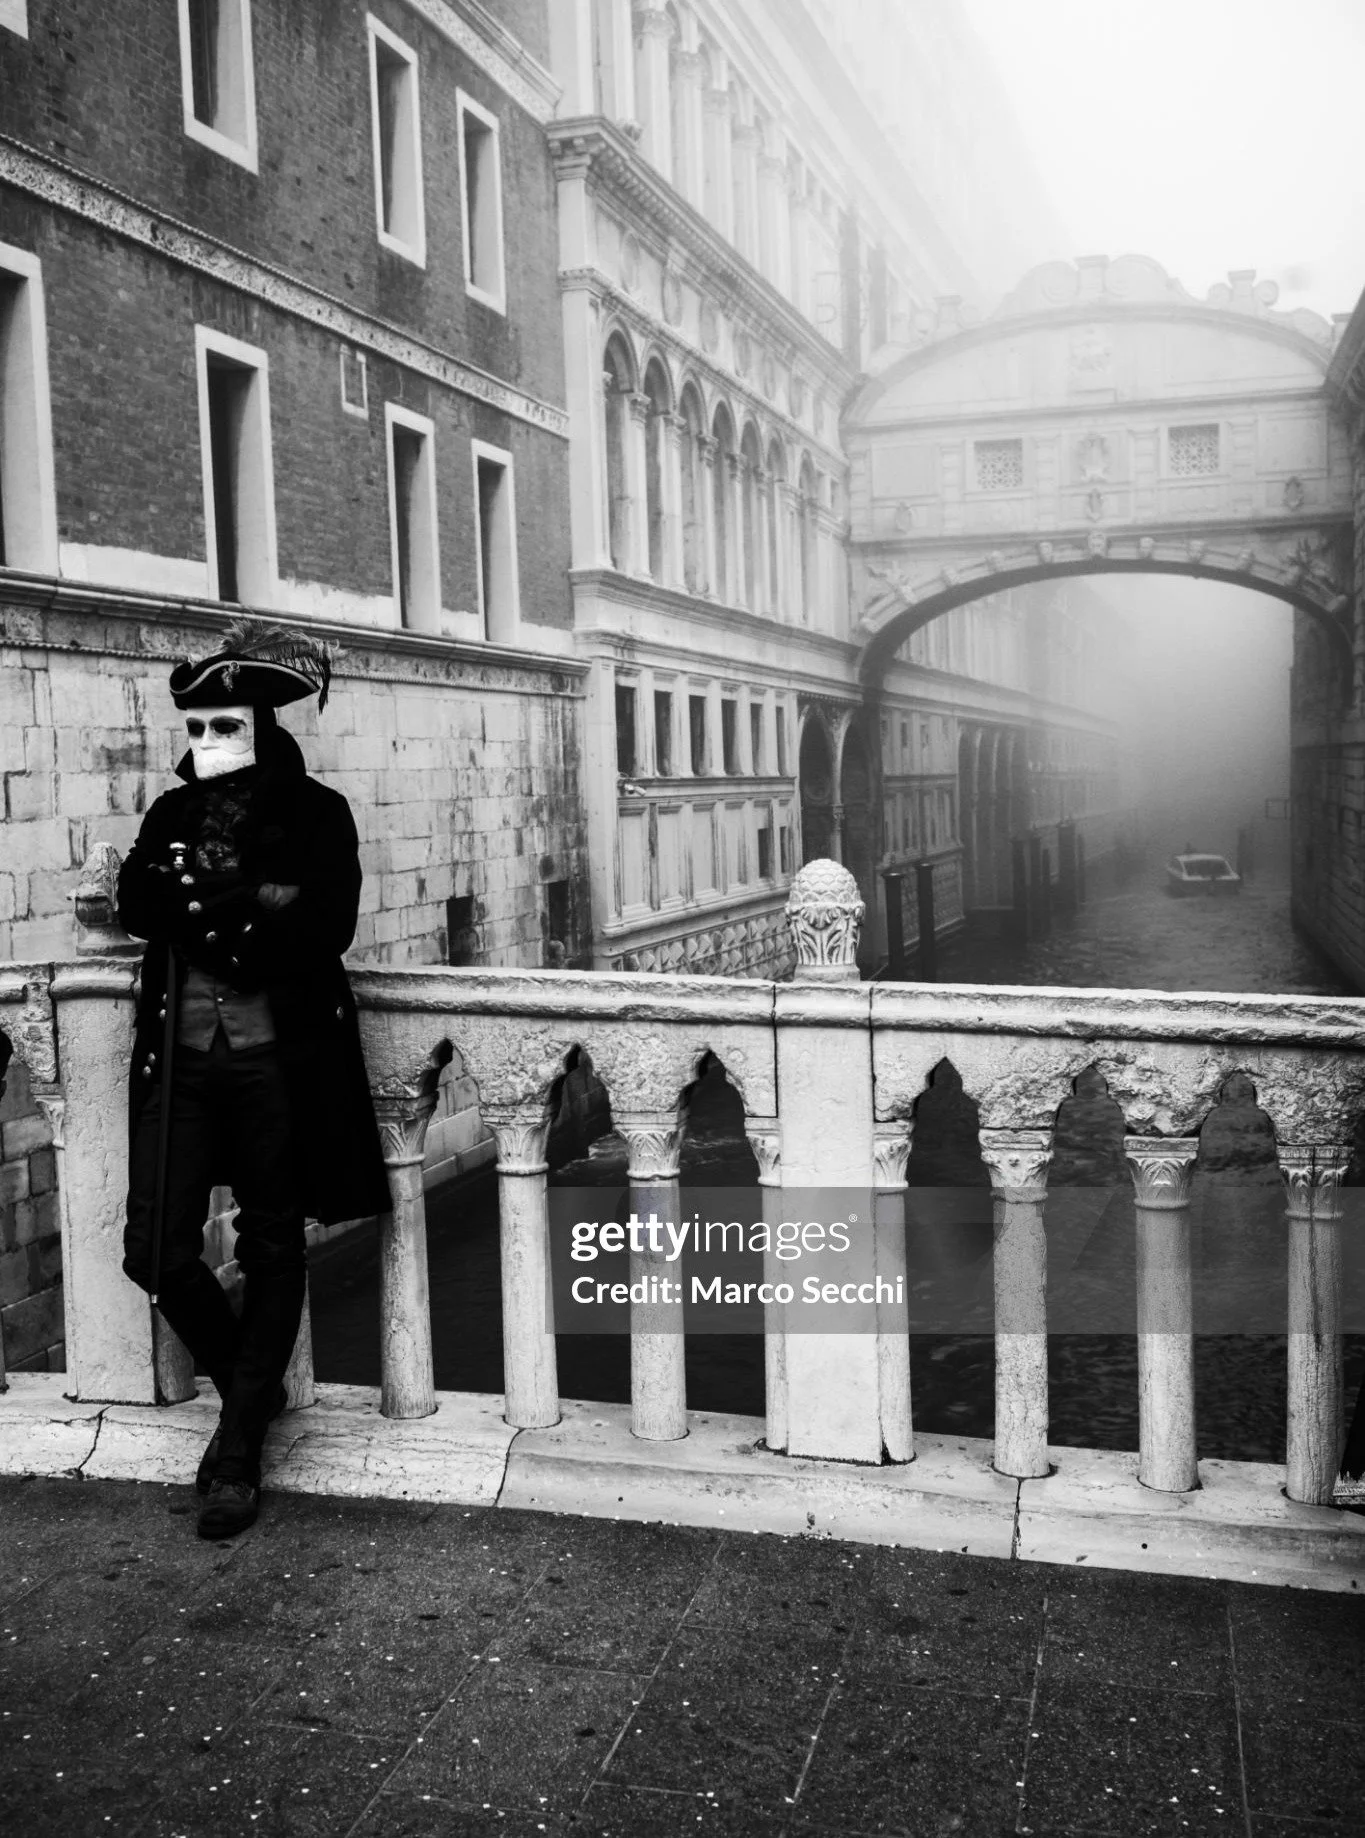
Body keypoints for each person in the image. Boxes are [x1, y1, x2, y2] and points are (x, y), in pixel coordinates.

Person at [119, 620, 390, 1538]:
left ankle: (235, 1451)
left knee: (274, 1243)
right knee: (154, 1250)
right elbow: (131, 902)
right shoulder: (167, 813)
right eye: (195, 730)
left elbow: (326, 928)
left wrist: (203, 904)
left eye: (223, 727)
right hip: (180, 1062)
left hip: (279, 1062)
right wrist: (243, 901)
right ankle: (254, 1388)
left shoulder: (318, 813)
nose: (206, 746)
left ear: (265, 726)